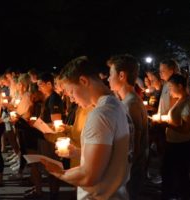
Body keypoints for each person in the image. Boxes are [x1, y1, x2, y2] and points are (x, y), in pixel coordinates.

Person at [41, 56, 131, 200]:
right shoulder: (117, 105)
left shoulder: (99, 114)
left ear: (83, 81)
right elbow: (111, 154)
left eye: (71, 92)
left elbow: (89, 176)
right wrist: (77, 152)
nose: (71, 99)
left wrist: (59, 173)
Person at [107, 54, 148, 200]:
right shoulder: (129, 101)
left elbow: (133, 146)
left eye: (111, 74)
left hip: (130, 173)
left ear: (122, 75)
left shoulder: (130, 105)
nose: (108, 78)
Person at [160, 74, 190, 200]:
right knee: (169, 174)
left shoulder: (188, 103)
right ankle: (170, 195)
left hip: (181, 146)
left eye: (171, 87)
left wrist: (167, 125)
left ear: (180, 86)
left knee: (182, 177)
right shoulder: (179, 100)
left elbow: (187, 129)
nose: (169, 90)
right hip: (173, 144)